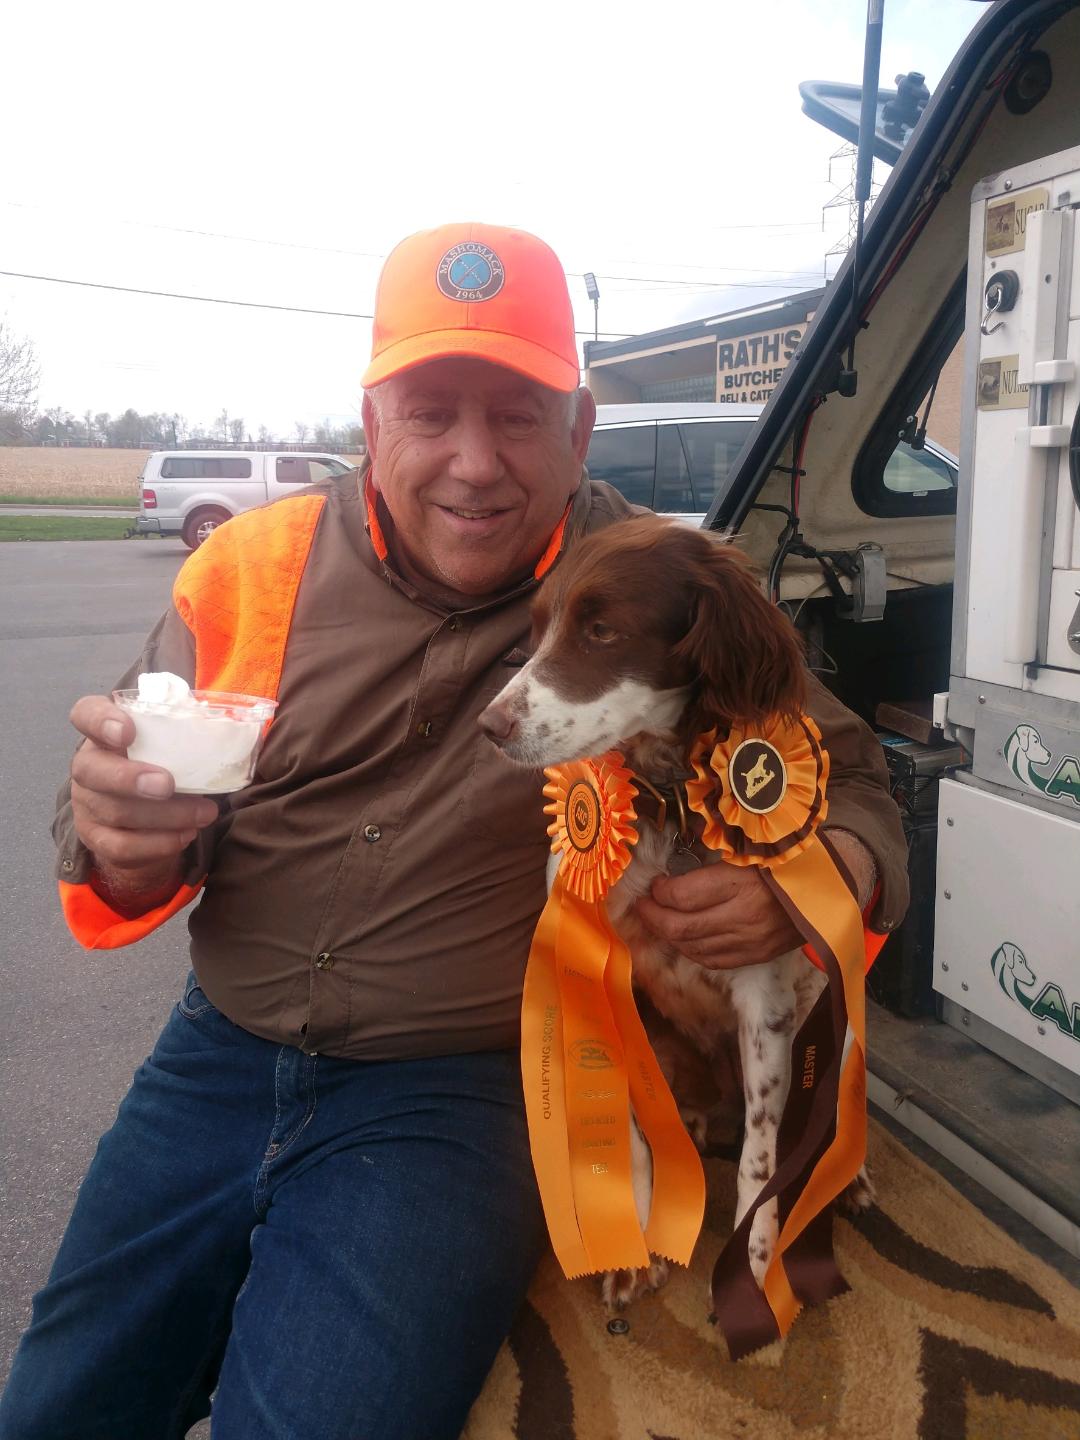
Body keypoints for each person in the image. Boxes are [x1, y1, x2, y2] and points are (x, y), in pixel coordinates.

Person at [0, 222, 908, 1440]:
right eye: (432, 412)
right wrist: (118, 831)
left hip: (456, 1096)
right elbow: (115, 794)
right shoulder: (251, 566)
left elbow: (850, 779)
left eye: (518, 415)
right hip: (217, 1053)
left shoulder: (647, 583)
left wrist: (810, 880)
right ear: (372, 422)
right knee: (61, 1406)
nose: (474, 464)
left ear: (580, 430)